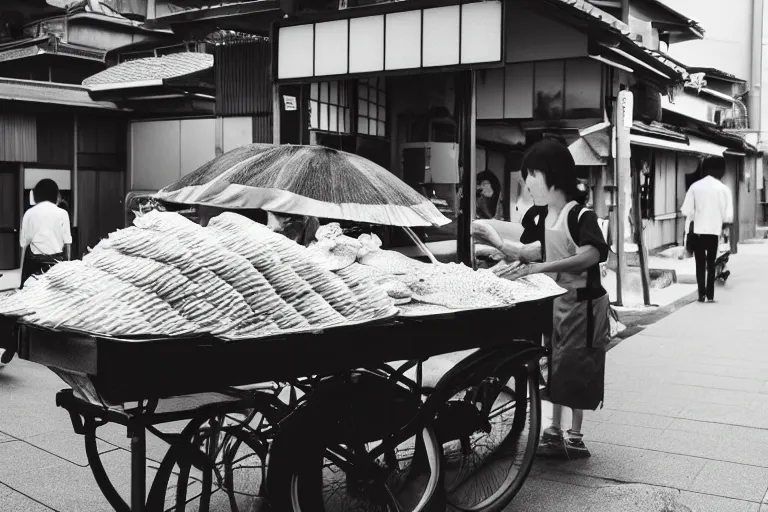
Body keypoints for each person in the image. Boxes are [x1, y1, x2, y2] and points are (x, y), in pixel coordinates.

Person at [472, 139, 609, 459]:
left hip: (582, 304)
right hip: (555, 302)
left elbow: (591, 254)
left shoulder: (580, 216)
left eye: (532, 173)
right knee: (556, 366)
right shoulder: (543, 218)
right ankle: (553, 432)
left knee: (576, 368)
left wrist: (545, 266)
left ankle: (573, 435)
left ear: (553, 174)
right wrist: (497, 246)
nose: (527, 182)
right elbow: (530, 252)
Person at [681, 156, 733, 303]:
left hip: (698, 231)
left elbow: (686, 211)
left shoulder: (695, 187)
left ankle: (701, 295)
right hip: (713, 232)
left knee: (699, 264)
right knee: (711, 263)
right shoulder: (723, 189)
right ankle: (710, 295)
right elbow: (728, 216)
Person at [19, 179, 72, 289]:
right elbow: (68, 243)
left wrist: (21, 277)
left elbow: (23, 243)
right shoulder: (63, 213)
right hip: (57, 262)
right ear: (54, 194)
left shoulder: (29, 213)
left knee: (32, 295)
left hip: (35, 262)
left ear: (37, 195)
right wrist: (67, 266)